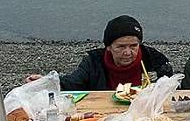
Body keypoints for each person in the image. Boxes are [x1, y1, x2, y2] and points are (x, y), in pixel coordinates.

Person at [26, 15, 173, 90]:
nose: (128, 52)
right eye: (121, 47)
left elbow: (169, 90)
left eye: (134, 46)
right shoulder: (93, 63)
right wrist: (45, 82)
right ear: (108, 47)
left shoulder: (155, 60)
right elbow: (72, 83)